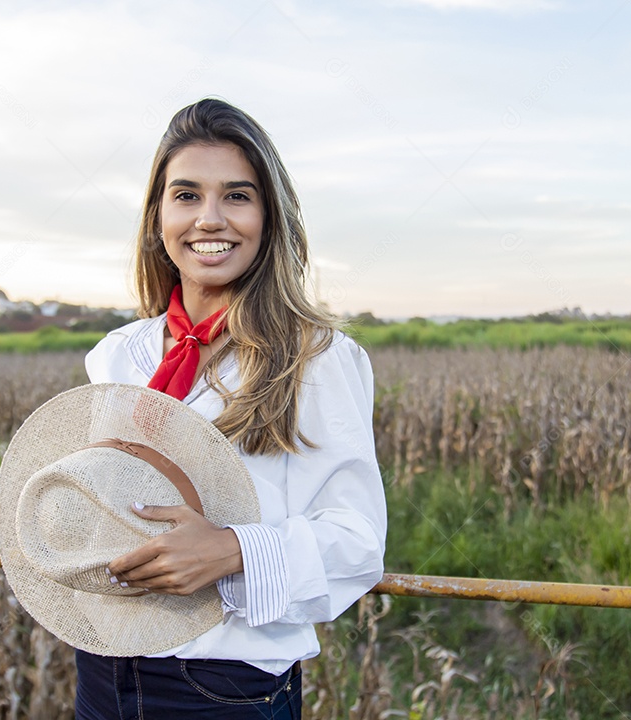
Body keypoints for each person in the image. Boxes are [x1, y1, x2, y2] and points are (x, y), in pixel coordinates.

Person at [78, 98, 387, 719]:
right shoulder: (116, 356)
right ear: (156, 217)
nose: (210, 219)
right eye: (186, 195)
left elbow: (357, 543)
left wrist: (232, 551)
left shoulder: (317, 359)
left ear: (270, 217)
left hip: (223, 685)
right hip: (102, 667)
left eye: (237, 196)